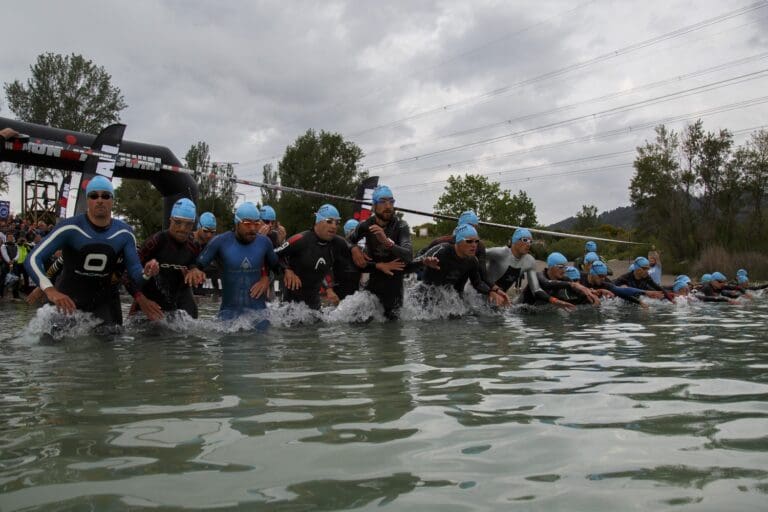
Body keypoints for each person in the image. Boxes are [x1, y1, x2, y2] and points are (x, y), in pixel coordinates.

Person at [24, 176, 158, 329]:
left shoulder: (124, 233)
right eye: (94, 196)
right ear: (87, 200)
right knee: (51, 348)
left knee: (109, 345)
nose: (99, 200)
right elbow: (33, 258)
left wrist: (147, 273)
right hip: (67, 299)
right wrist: (49, 290)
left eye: (105, 196)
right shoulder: (70, 228)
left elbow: (135, 274)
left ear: (113, 200)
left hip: (102, 303)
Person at [186, 202, 277, 321]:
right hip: (228, 317)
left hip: (259, 317)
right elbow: (198, 265)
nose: (253, 228)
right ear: (237, 223)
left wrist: (266, 278)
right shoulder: (220, 242)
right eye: (247, 223)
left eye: (256, 223)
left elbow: (277, 267)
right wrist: (195, 270)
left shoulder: (265, 243)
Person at [127, 198, 204, 320]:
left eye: (188, 224)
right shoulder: (156, 242)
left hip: (179, 301)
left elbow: (193, 263)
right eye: (178, 222)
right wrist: (141, 300)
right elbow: (127, 275)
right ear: (170, 220)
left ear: (193, 224)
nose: (183, 228)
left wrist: (194, 269)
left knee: (192, 328)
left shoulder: (194, 246)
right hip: (151, 303)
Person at [347, 185, 411, 318]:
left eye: (391, 201)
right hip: (373, 285)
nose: (388, 206)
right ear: (374, 206)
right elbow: (346, 241)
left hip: (394, 289)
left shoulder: (401, 226)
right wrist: (354, 248)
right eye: (383, 201)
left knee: (392, 330)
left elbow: (408, 255)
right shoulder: (366, 225)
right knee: (359, 323)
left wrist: (387, 243)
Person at [275, 204, 352, 310]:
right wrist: (287, 269)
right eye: (329, 221)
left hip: (314, 307)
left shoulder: (338, 243)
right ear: (318, 221)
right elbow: (274, 255)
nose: (334, 226)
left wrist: (329, 289)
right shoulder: (300, 239)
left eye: (337, 222)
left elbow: (323, 267)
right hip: (290, 307)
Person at [416, 224, 509, 306]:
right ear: (459, 241)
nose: (474, 245)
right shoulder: (441, 249)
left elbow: (477, 282)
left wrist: (491, 292)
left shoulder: (472, 261)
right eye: (469, 241)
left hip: (448, 299)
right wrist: (424, 263)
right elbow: (414, 262)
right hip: (425, 297)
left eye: (476, 241)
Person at [485, 228, 575, 310]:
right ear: (514, 241)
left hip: (498, 298)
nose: (528, 244)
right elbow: (476, 254)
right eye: (525, 240)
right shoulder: (500, 253)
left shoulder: (529, 261)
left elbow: (536, 290)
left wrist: (554, 301)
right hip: (479, 293)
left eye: (530, 241)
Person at [519, 252, 599, 307]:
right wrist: (572, 284)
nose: (564, 270)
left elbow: (577, 292)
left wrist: (591, 294)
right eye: (560, 267)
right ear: (550, 266)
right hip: (519, 310)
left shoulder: (565, 279)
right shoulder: (538, 276)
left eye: (565, 267)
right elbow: (547, 283)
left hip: (540, 310)